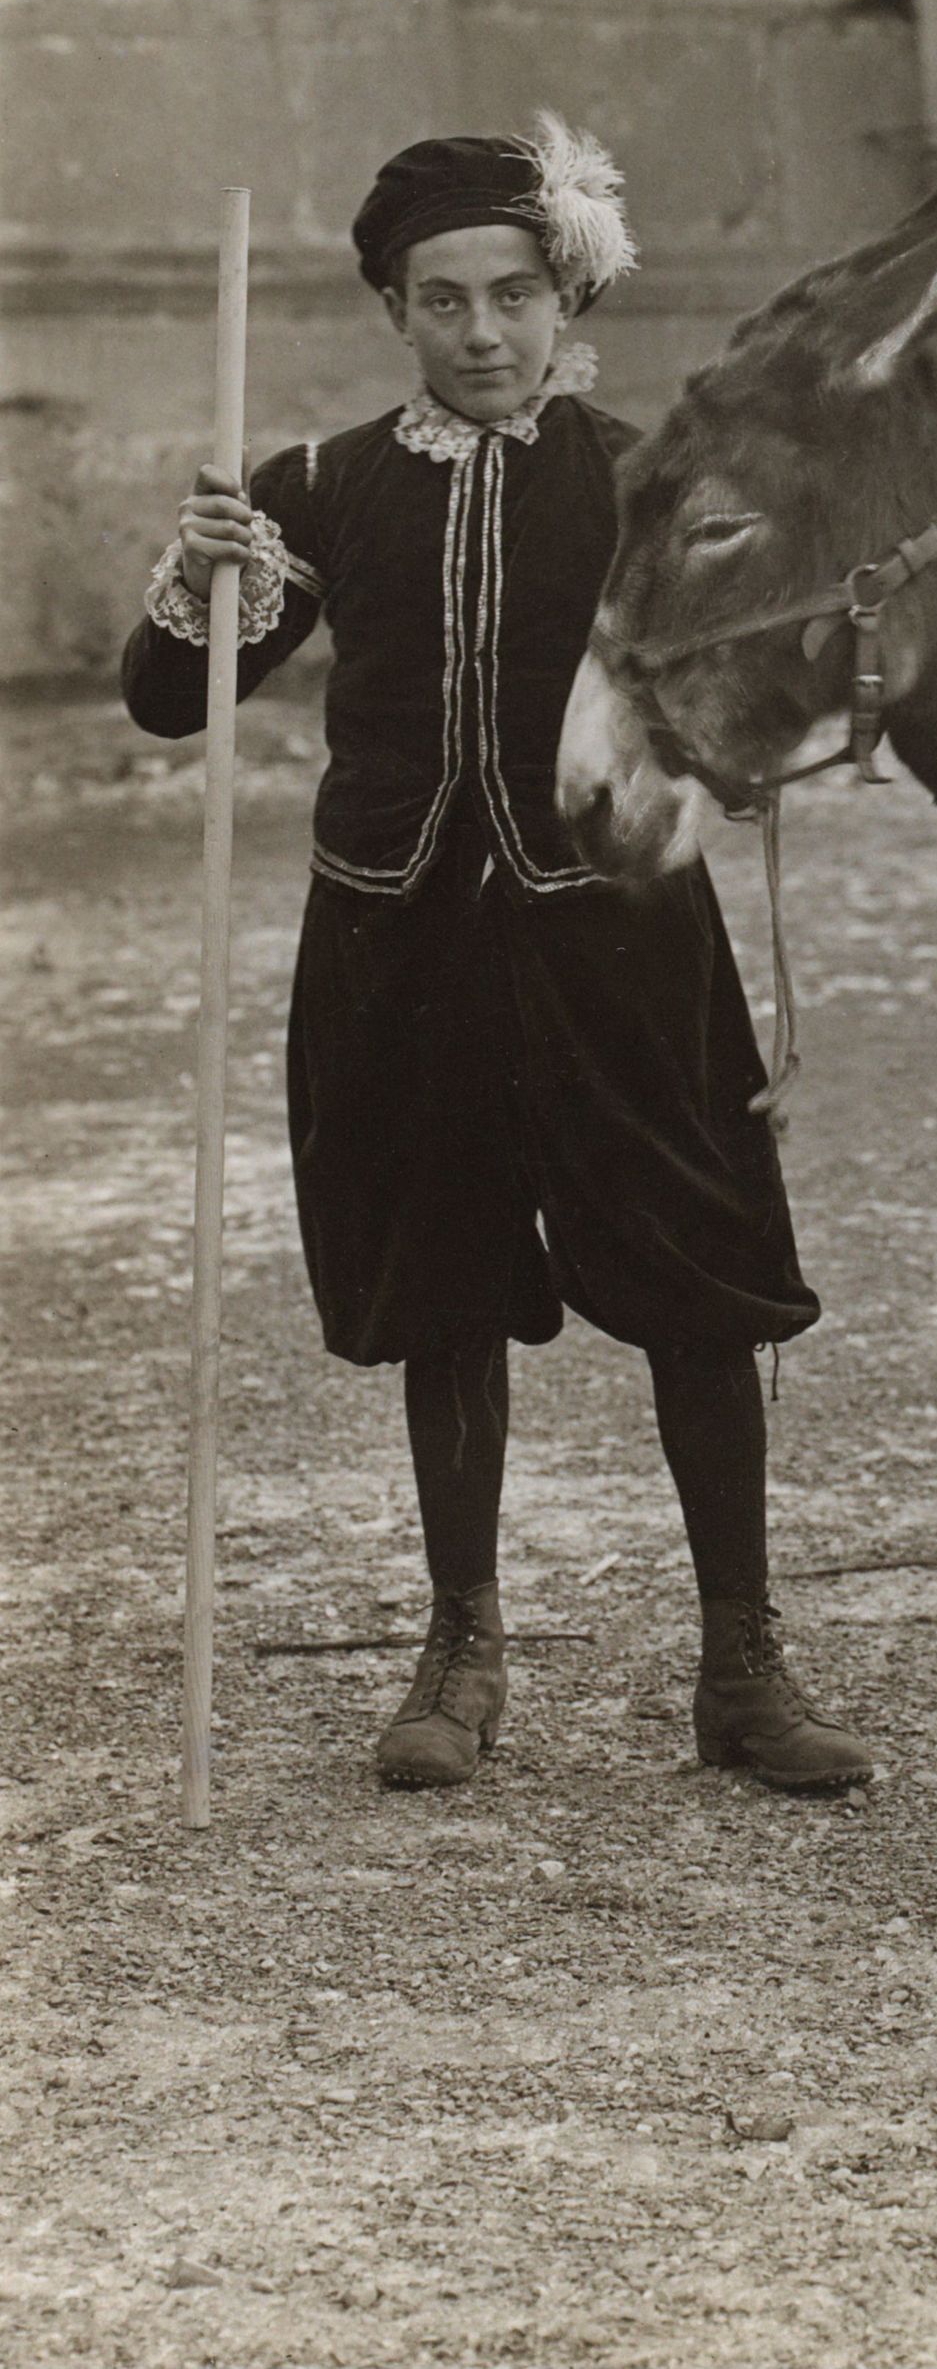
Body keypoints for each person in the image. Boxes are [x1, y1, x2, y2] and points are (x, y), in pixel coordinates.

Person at [121, 119, 874, 1794]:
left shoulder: (650, 482)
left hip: (620, 938)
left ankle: (743, 1665)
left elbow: (762, 700)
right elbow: (169, 703)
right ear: (395, 309)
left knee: (696, 1279)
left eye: (514, 294)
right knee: (443, 1286)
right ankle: (461, 1649)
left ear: (565, 297)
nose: (482, 332)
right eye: (444, 299)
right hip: (399, 940)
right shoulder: (316, 489)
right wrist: (201, 576)